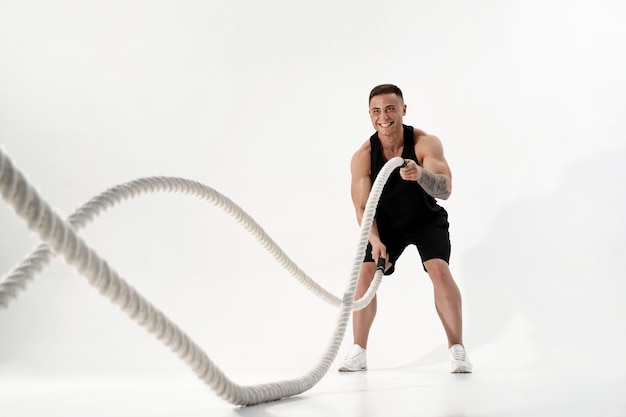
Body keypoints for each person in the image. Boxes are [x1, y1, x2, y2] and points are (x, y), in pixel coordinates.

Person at [339, 84, 472, 373]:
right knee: (364, 273)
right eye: (376, 111)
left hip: (425, 219)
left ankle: (457, 349)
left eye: (389, 108)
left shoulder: (425, 143)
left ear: (403, 110)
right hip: (385, 225)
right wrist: (374, 239)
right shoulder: (363, 155)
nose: (383, 116)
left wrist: (421, 174)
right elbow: (362, 206)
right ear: (370, 115)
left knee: (439, 269)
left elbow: (446, 189)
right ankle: (358, 351)